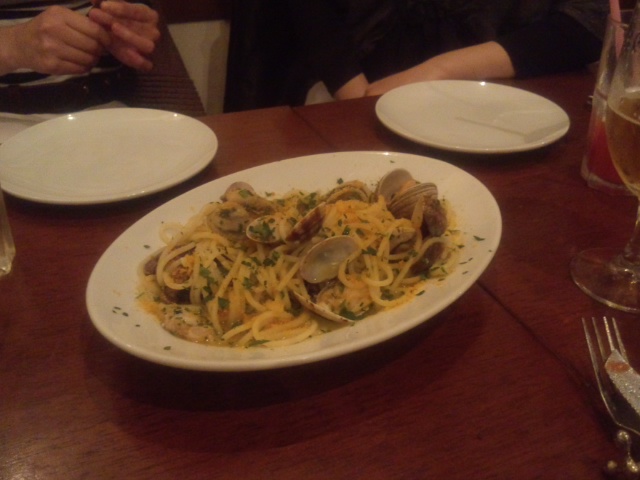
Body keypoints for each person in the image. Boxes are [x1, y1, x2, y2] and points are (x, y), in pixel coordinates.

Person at [223, 0, 609, 110]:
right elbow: (314, 19)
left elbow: (587, 24)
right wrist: (358, 99)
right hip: (352, 91)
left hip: (495, 97)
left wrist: (438, 71)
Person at [0, 0, 160, 113]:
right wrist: (13, 44)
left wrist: (134, 23)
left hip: (110, 106)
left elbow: (141, 15)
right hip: (8, 120)